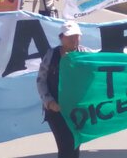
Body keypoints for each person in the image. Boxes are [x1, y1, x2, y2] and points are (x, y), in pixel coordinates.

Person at [37, 21, 92, 158]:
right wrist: (49, 102)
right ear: (61, 38)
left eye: (77, 36)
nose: (74, 39)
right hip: (57, 111)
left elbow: (100, 71)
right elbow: (41, 81)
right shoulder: (52, 55)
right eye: (70, 36)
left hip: (78, 111)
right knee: (66, 146)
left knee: (75, 146)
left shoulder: (86, 55)